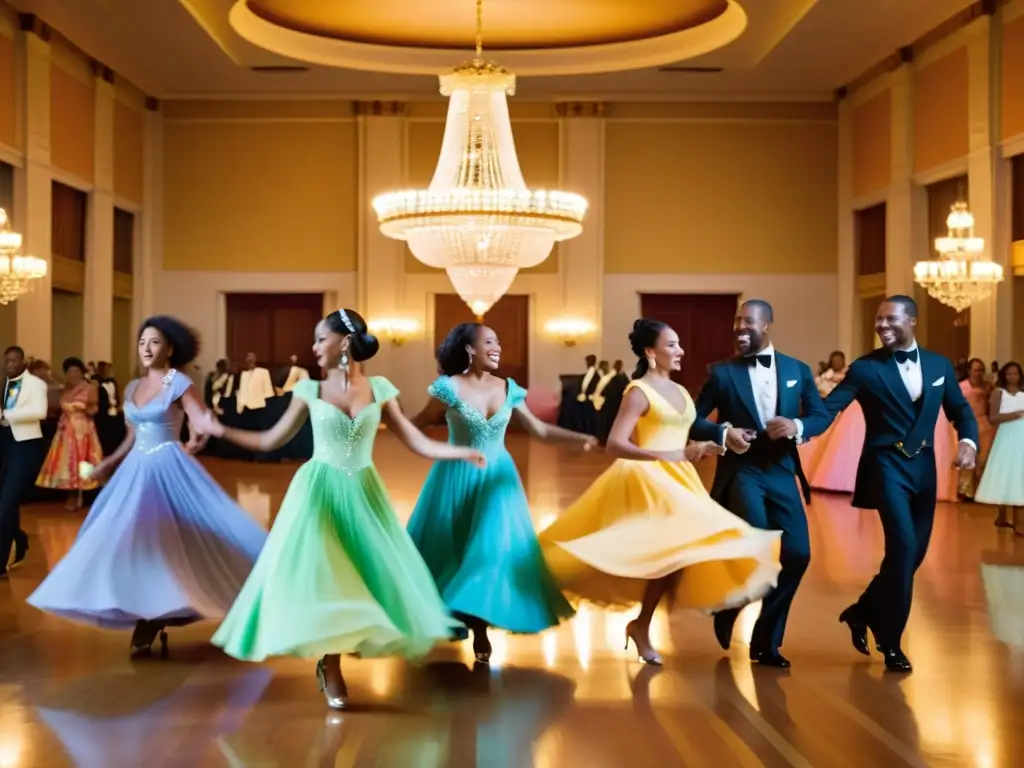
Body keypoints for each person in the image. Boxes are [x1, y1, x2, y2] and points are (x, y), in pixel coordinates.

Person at [197, 309, 484, 710]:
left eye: (320, 339)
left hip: (364, 493)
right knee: (327, 573)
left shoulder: (381, 389)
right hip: (317, 492)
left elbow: (417, 441)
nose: (313, 348)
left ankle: (340, 652)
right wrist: (220, 430)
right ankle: (330, 665)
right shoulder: (309, 391)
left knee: (362, 575)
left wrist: (460, 451)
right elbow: (269, 441)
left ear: (343, 342)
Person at [541, 319, 782, 665]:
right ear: (651, 352)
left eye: (679, 344)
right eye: (671, 345)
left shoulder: (681, 392)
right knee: (655, 553)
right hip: (647, 478)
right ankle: (635, 621)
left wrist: (711, 445)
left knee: (677, 556)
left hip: (680, 478)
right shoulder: (638, 391)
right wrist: (667, 455)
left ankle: (642, 624)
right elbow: (616, 443)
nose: (680, 350)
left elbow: (683, 437)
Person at [26, 317, 267, 657]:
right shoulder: (132, 387)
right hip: (136, 469)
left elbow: (199, 419)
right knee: (127, 538)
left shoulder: (178, 380)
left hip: (168, 466)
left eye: (154, 342)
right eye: (142, 343)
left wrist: (204, 430)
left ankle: (161, 614)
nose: (146, 348)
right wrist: (108, 463)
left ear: (169, 349)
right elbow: (132, 436)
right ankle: (149, 609)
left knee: (171, 540)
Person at [408, 323, 592, 663]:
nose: (497, 347)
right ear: (469, 349)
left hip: (500, 479)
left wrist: (578, 437)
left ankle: (480, 628)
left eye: (499, 341)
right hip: (455, 475)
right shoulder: (447, 388)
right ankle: (449, 617)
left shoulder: (509, 388)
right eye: (489, 341)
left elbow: (539, 429)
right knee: (451, 550)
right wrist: (377, 421)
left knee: (489, 551)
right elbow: (416, 422)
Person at [825, 295, 978, 672]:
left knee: (912, 556)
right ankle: (892, 642)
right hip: (885, 464)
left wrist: (968, 441)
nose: (882, 325)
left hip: (924, 468)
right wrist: (797, 426)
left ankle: (861, 611)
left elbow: (960, 411)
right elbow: (830, 408)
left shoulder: (938, 364)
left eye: (890, 319)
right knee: (904, 545)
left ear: (912, 320)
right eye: (878, 320)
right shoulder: (865, 368)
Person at [693, 299, 831, 668]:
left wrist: (797, 426)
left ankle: (763, 638)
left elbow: (820, 415)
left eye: (748, 321)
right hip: (743, 471)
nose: (740, 326)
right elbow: (693, 418)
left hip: (782, 469)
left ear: (766, 325)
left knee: (798, 554)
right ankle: (733, 605)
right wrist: (724, 432)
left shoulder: (797, 370)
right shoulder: (722, 373)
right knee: (761, 546)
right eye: (737, 320)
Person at [0, 346, 48, 576]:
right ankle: (18, 538)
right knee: (6, 505)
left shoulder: (35, 384)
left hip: (25, 446)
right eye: (7, 361)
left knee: (6, 503)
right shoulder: (4, 383)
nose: (10, 365)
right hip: (4, 444)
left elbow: (40, 411)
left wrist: (6, 415)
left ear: (23, 362)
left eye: (14, 361)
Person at [35, 357, 104, 510]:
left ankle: (84, 494)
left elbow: (95, 409)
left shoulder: (89, 387)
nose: (73, 375)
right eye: (70, 372)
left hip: (83, 428)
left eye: (76, 371)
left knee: (83, 460)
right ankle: (72, 494)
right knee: (67, 462)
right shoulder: (65, 390)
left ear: (81, 373)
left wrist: (81, 408)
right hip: (66, 429)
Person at [975, 361, 1024, 532]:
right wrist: (1015, 415)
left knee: (1019, 476)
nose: (1013, 377)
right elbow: (993, 418)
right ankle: (1007, 517)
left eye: (1015, 373)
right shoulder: (998, 393)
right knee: (1007, 474)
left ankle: (1015, 519)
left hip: (1021, 437)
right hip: (1007, 437)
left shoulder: (1023, 393)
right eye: (1009, 373)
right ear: (1004, 375)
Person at [957, 358, 994, 500]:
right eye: (976, 370)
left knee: (984, 457)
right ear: (969, 371)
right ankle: (966, 490)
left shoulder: (988, 387)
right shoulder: (961, 386)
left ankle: (982, 490)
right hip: (968, 423)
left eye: (981, 370)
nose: (979, 373)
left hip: (984, 423)